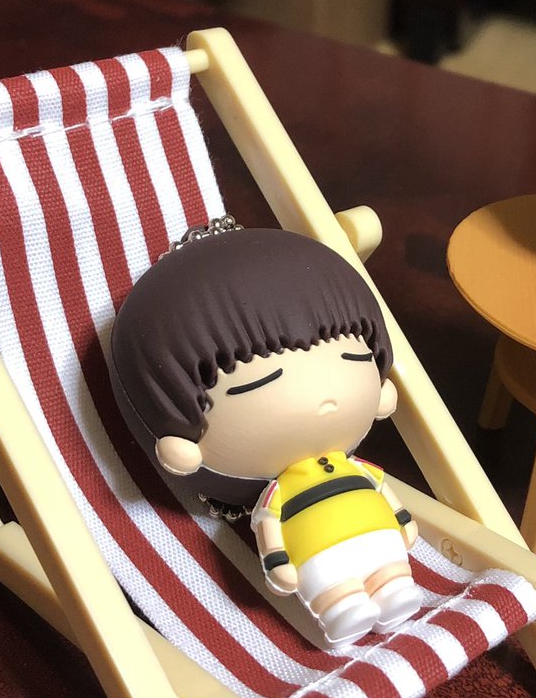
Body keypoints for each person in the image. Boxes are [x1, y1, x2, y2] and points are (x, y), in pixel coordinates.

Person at [109, 222, 422, 647]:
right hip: (318, 557)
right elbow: (270, 525)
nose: (322, 396)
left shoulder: (359, 469)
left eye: (352, 357)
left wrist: (401, 521)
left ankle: (394, 591)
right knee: (335, 588)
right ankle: (341, 608)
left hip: (376, 538)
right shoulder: (277, 494)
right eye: (259, 381)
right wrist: (279, 563)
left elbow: (385, 491)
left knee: (392, 578)